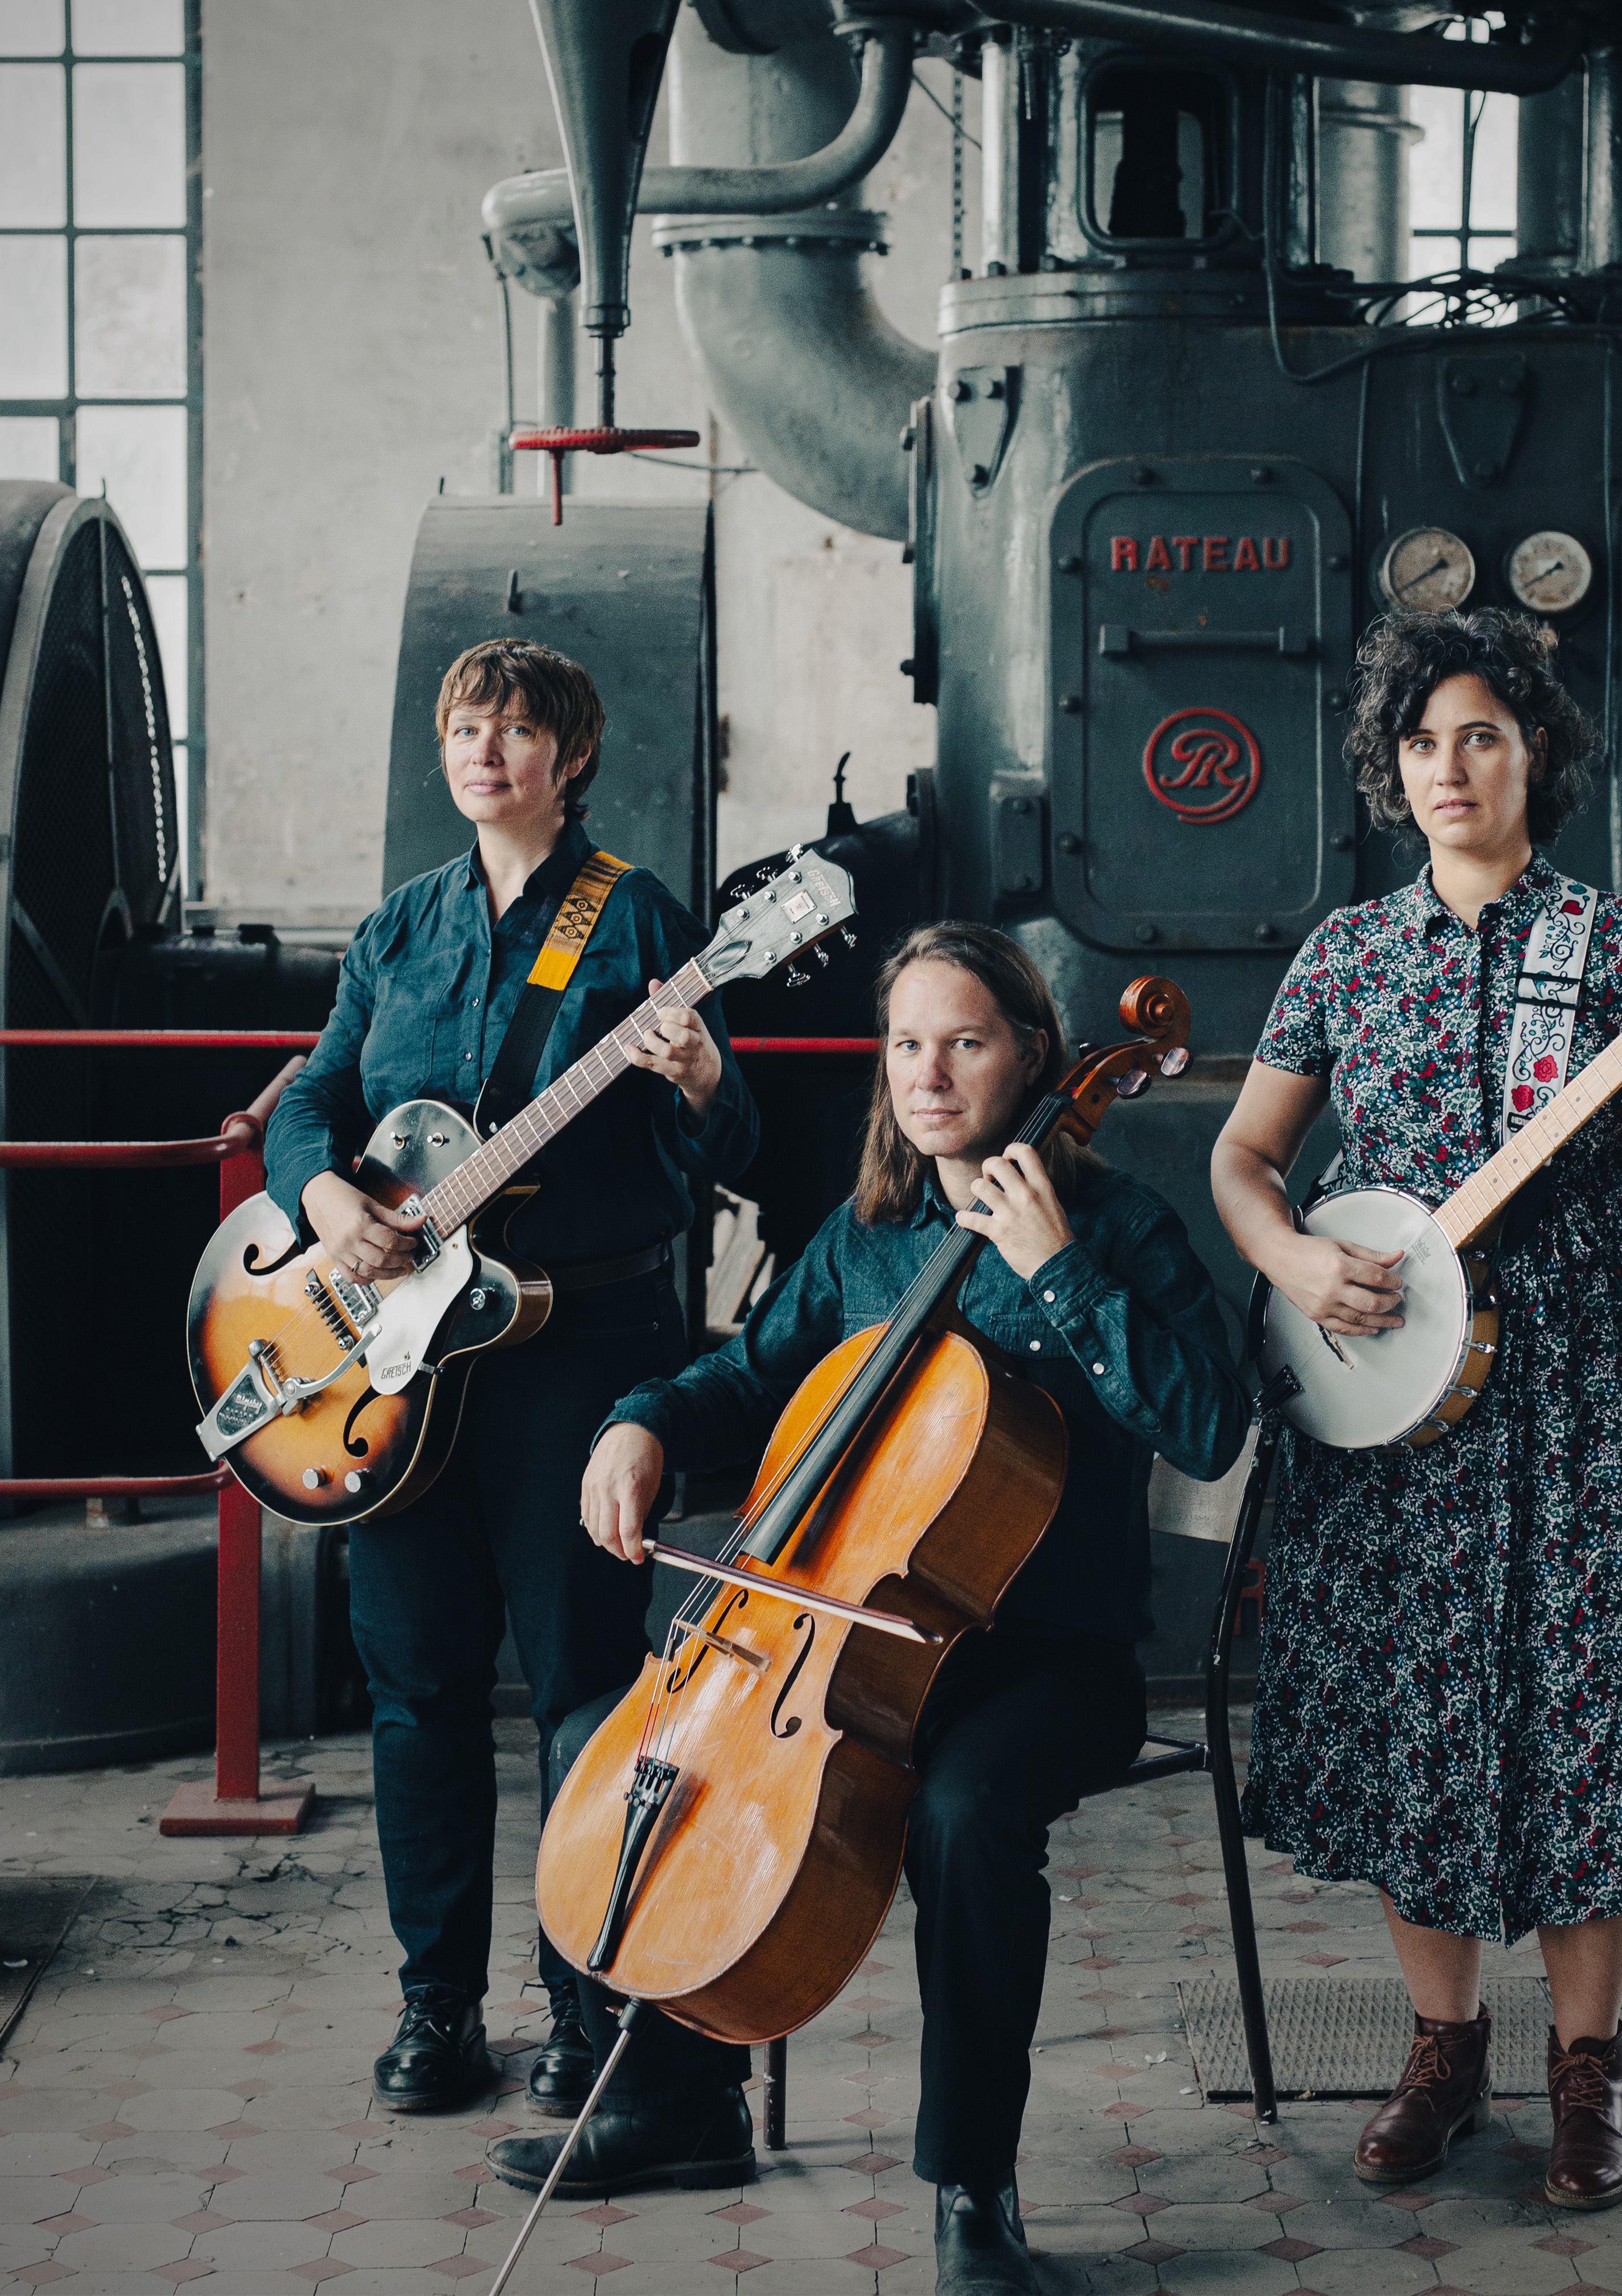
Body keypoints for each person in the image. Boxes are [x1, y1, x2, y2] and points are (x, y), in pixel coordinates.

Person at [486, 922, 1249, 2295]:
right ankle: (678, 2098)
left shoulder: (1119, 1224)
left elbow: (1206, 1423)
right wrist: (641, 1422)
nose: (930, 1074)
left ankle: (973, 2191)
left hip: (1049, 1665)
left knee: (964, 1818)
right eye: (906, 1043)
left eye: (965, 1041)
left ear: (1031, 1056)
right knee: (606, 1739)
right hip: (845, 1650)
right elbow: (751, 1378)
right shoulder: (869, 1235)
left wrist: (1058, 1265)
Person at [1211, 607, 1622, 2211]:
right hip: (1393, 1400)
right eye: (1421, 739)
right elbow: (1243, 1159)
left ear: (1536, 756)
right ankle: (1440, 2044)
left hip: (1581, 1391)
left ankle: (1585, 2067)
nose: (1447, 765)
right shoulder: (1344, 953)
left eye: (1481, 735)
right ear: (1389, 769)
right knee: (1411, 1715)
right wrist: (1298, 1261)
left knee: (1589, 1710)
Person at [262, 639, 758, 2122]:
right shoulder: (397, 931)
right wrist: (325, 1202)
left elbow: (728, 1162)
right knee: (413, 1689)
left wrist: (698, 1084)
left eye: (521, 729)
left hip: (576, 1366)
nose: (488, 749)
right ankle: (435, 2008)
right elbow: (315, 1102)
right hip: (404, 1376)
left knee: (584, 1695)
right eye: (468, 726)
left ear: (572, 756)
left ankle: (582, 2003)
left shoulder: (639, 922)